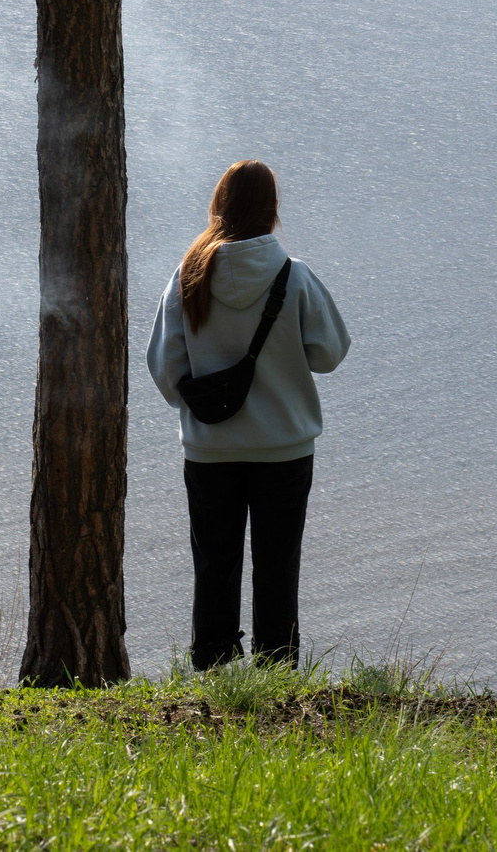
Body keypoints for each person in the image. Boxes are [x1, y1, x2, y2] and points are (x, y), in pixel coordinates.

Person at [146, 159, 350, 669]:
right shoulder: (294, 276)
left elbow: (164, 366)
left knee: (214, 563)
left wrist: (199, 406)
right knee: (278, 565)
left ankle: (214, 670)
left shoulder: (188, 275)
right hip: (283, 448)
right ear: (272, 211)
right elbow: (330, 353)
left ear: (219, 205)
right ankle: (277, 673)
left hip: (209, 450)